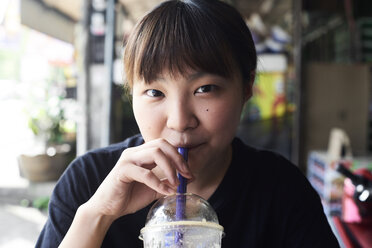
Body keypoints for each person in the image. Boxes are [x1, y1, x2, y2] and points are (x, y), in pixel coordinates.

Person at [36, 0, 340, 247]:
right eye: (155, 92)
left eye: (204, 89)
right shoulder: (88, 181)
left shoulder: (281, 190)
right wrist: (97, 216)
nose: (180, 121)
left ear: (247, 86)